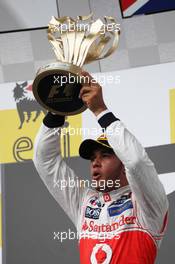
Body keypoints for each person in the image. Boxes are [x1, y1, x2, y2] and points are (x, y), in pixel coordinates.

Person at [33, 72, 169, 264]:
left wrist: (100, 111)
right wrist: (58, 109)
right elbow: (44, 161)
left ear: (123, 164)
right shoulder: (84, 202)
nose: (95, 162)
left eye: (105, 156)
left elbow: (136, 161)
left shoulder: (145, 204)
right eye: (92, 158)